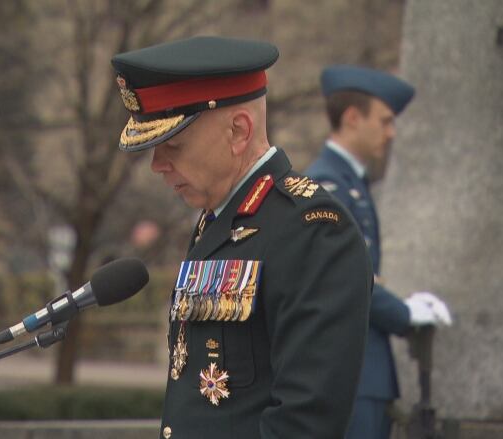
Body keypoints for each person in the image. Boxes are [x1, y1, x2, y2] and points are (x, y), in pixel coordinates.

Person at [111, 36, 372, 439]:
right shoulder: (216, 223)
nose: (157, 165)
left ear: (238, 131)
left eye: (173, 146)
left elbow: (305, 422)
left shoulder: (314, 230)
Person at [305, 65, 453, 439]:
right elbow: (345, 279)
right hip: (350, 374)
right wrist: (404, 313)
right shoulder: (329, 184)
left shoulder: (348, 181)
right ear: (353, 118)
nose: (391, 133)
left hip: (360, 372)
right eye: (385, 121)